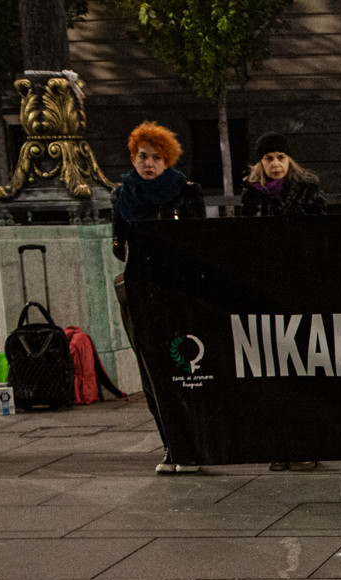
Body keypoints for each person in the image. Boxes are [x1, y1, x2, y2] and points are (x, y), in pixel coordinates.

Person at [112, 121, 206, 475]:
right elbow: (118, 246)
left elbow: (198, 243)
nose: (148, 163)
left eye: (156, 157)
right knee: (151, 372)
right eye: (142, 156)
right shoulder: (121, 196)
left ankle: (193, 446)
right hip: (140, 289)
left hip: (178, 291)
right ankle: (171, 444)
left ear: (167, 161)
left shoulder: (185, 191)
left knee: (186, 369)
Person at [240, 132, 324, 472]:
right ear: (260, 163)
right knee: (271, 371)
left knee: (305, 369)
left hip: (301, 290)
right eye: (269, 158)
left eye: (280, 157)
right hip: (265, 292)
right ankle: (279, 445)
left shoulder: (308, 191)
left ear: (290, 161)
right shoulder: (251, 196)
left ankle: (308, 444)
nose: (275, 164)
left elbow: (320, 236)